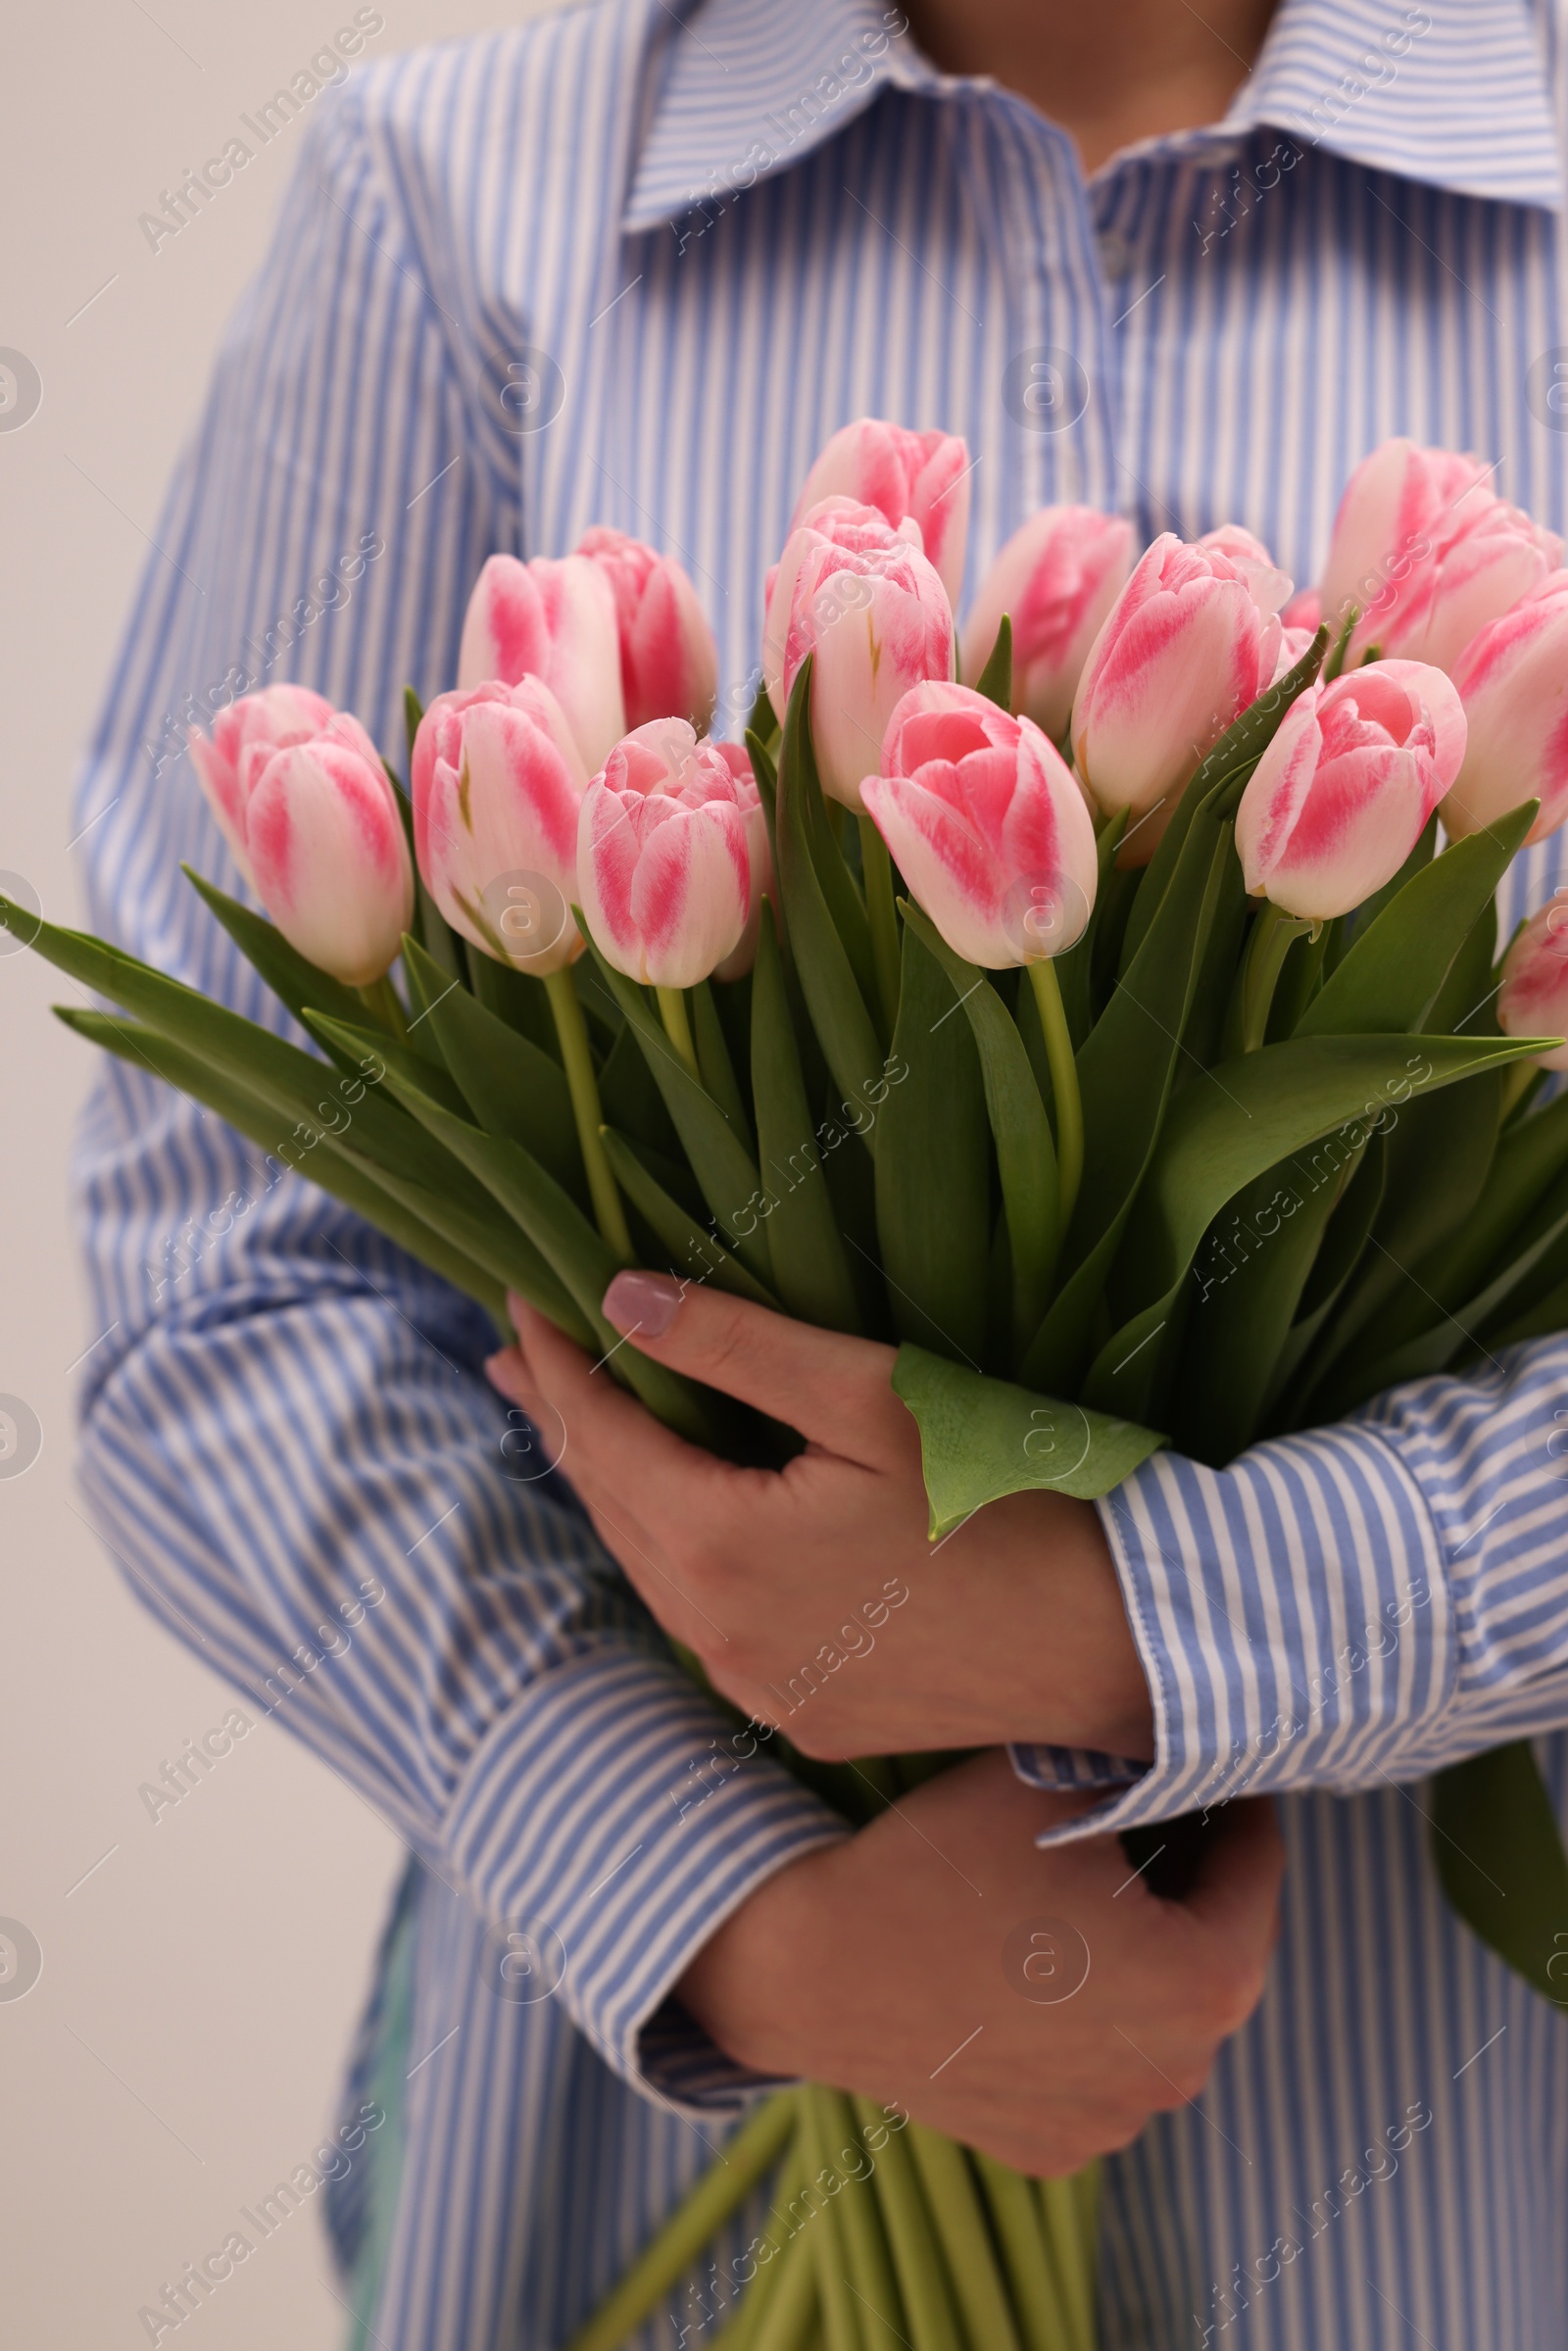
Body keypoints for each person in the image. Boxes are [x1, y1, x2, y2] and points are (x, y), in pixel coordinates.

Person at [73, 0, 1568, 2344]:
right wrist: (736, 1911)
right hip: (651, 2213)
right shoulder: (455, 196)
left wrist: (1160, 1607)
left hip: (1442, 2219)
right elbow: (222, 1288)